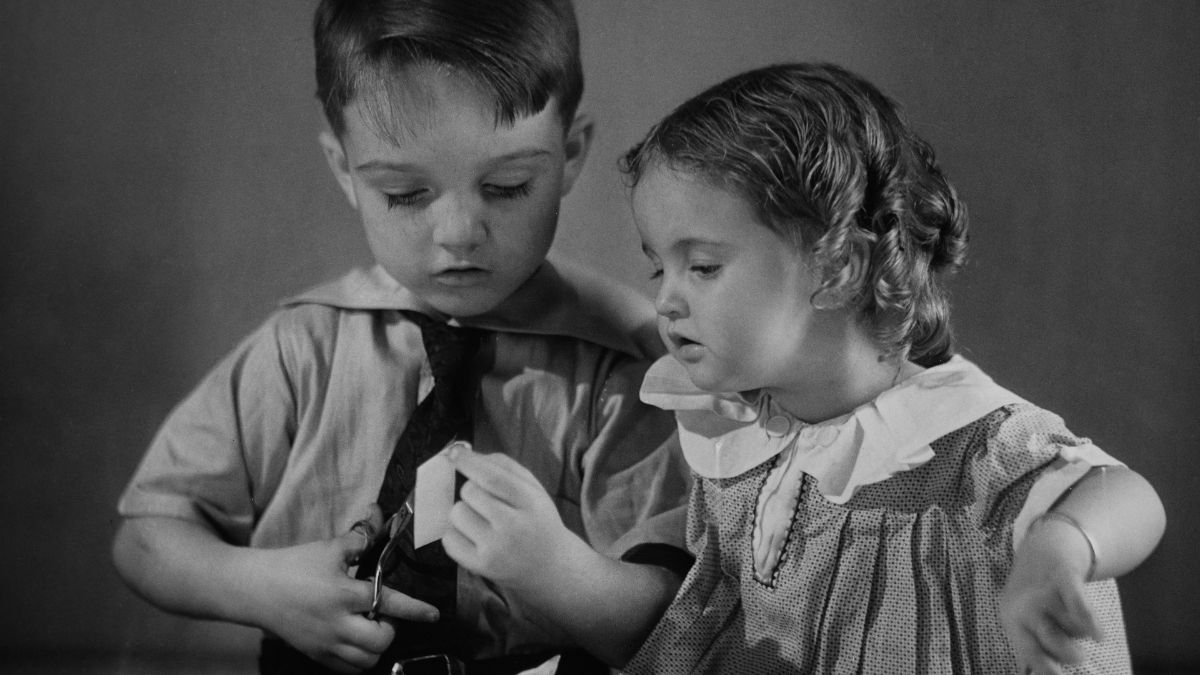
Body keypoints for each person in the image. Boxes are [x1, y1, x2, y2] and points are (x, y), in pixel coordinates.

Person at [110, 2, 692, 673]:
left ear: (568, 156)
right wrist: (264, 588)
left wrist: (558, 570)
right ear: (343, 170)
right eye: (407, 193)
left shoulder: (627, 367)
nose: (459, 231)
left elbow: (674, 622)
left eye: (507, 186)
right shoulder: (301, 350)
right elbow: (145, 537)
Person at [616, 62, 1166, 674]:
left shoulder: (960, 446)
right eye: (657, 268)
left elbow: (1129, 495)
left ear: (838, 268)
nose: (666, 298)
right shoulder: (748, 435)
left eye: (703, 267)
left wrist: (1060, 547)